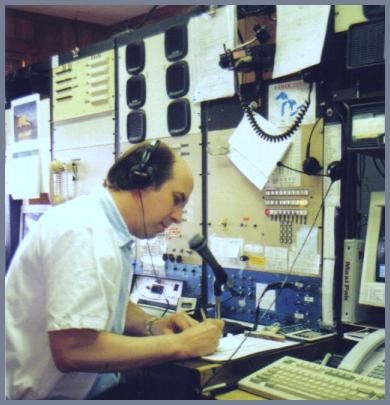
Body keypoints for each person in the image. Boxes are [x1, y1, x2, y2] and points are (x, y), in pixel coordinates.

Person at [5, 140, 224, 400]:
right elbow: (75, 350)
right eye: (176, 200)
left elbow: (102, 297)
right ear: (141, 182)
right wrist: (180, 345)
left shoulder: (105, 227)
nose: (178, 216)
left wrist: (151, 325)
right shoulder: (85, 232)